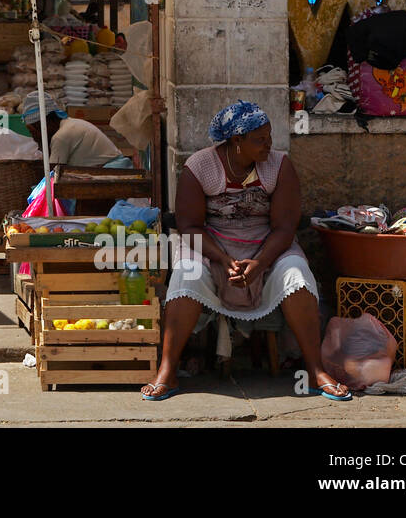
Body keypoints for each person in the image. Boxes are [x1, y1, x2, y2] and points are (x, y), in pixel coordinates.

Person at [139, 101, 350, 402]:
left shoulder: (279, 165)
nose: (268, 145)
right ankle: (167, 370)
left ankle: (315, 370)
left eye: (269, 137)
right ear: (236, 141)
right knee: (187, 275)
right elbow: (188, 226)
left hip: (266, 246)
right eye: (259, 140)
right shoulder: (200, 167)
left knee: (297, 274)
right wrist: (224, 259)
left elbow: (284, 228)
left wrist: (261, 262)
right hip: (211, 247)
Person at [21, 90, 131, 168]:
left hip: (111, 173)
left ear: (43, 125)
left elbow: (53, 174)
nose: (33, 136)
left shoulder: (61, 136)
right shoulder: (70, 124)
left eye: (33, 131)